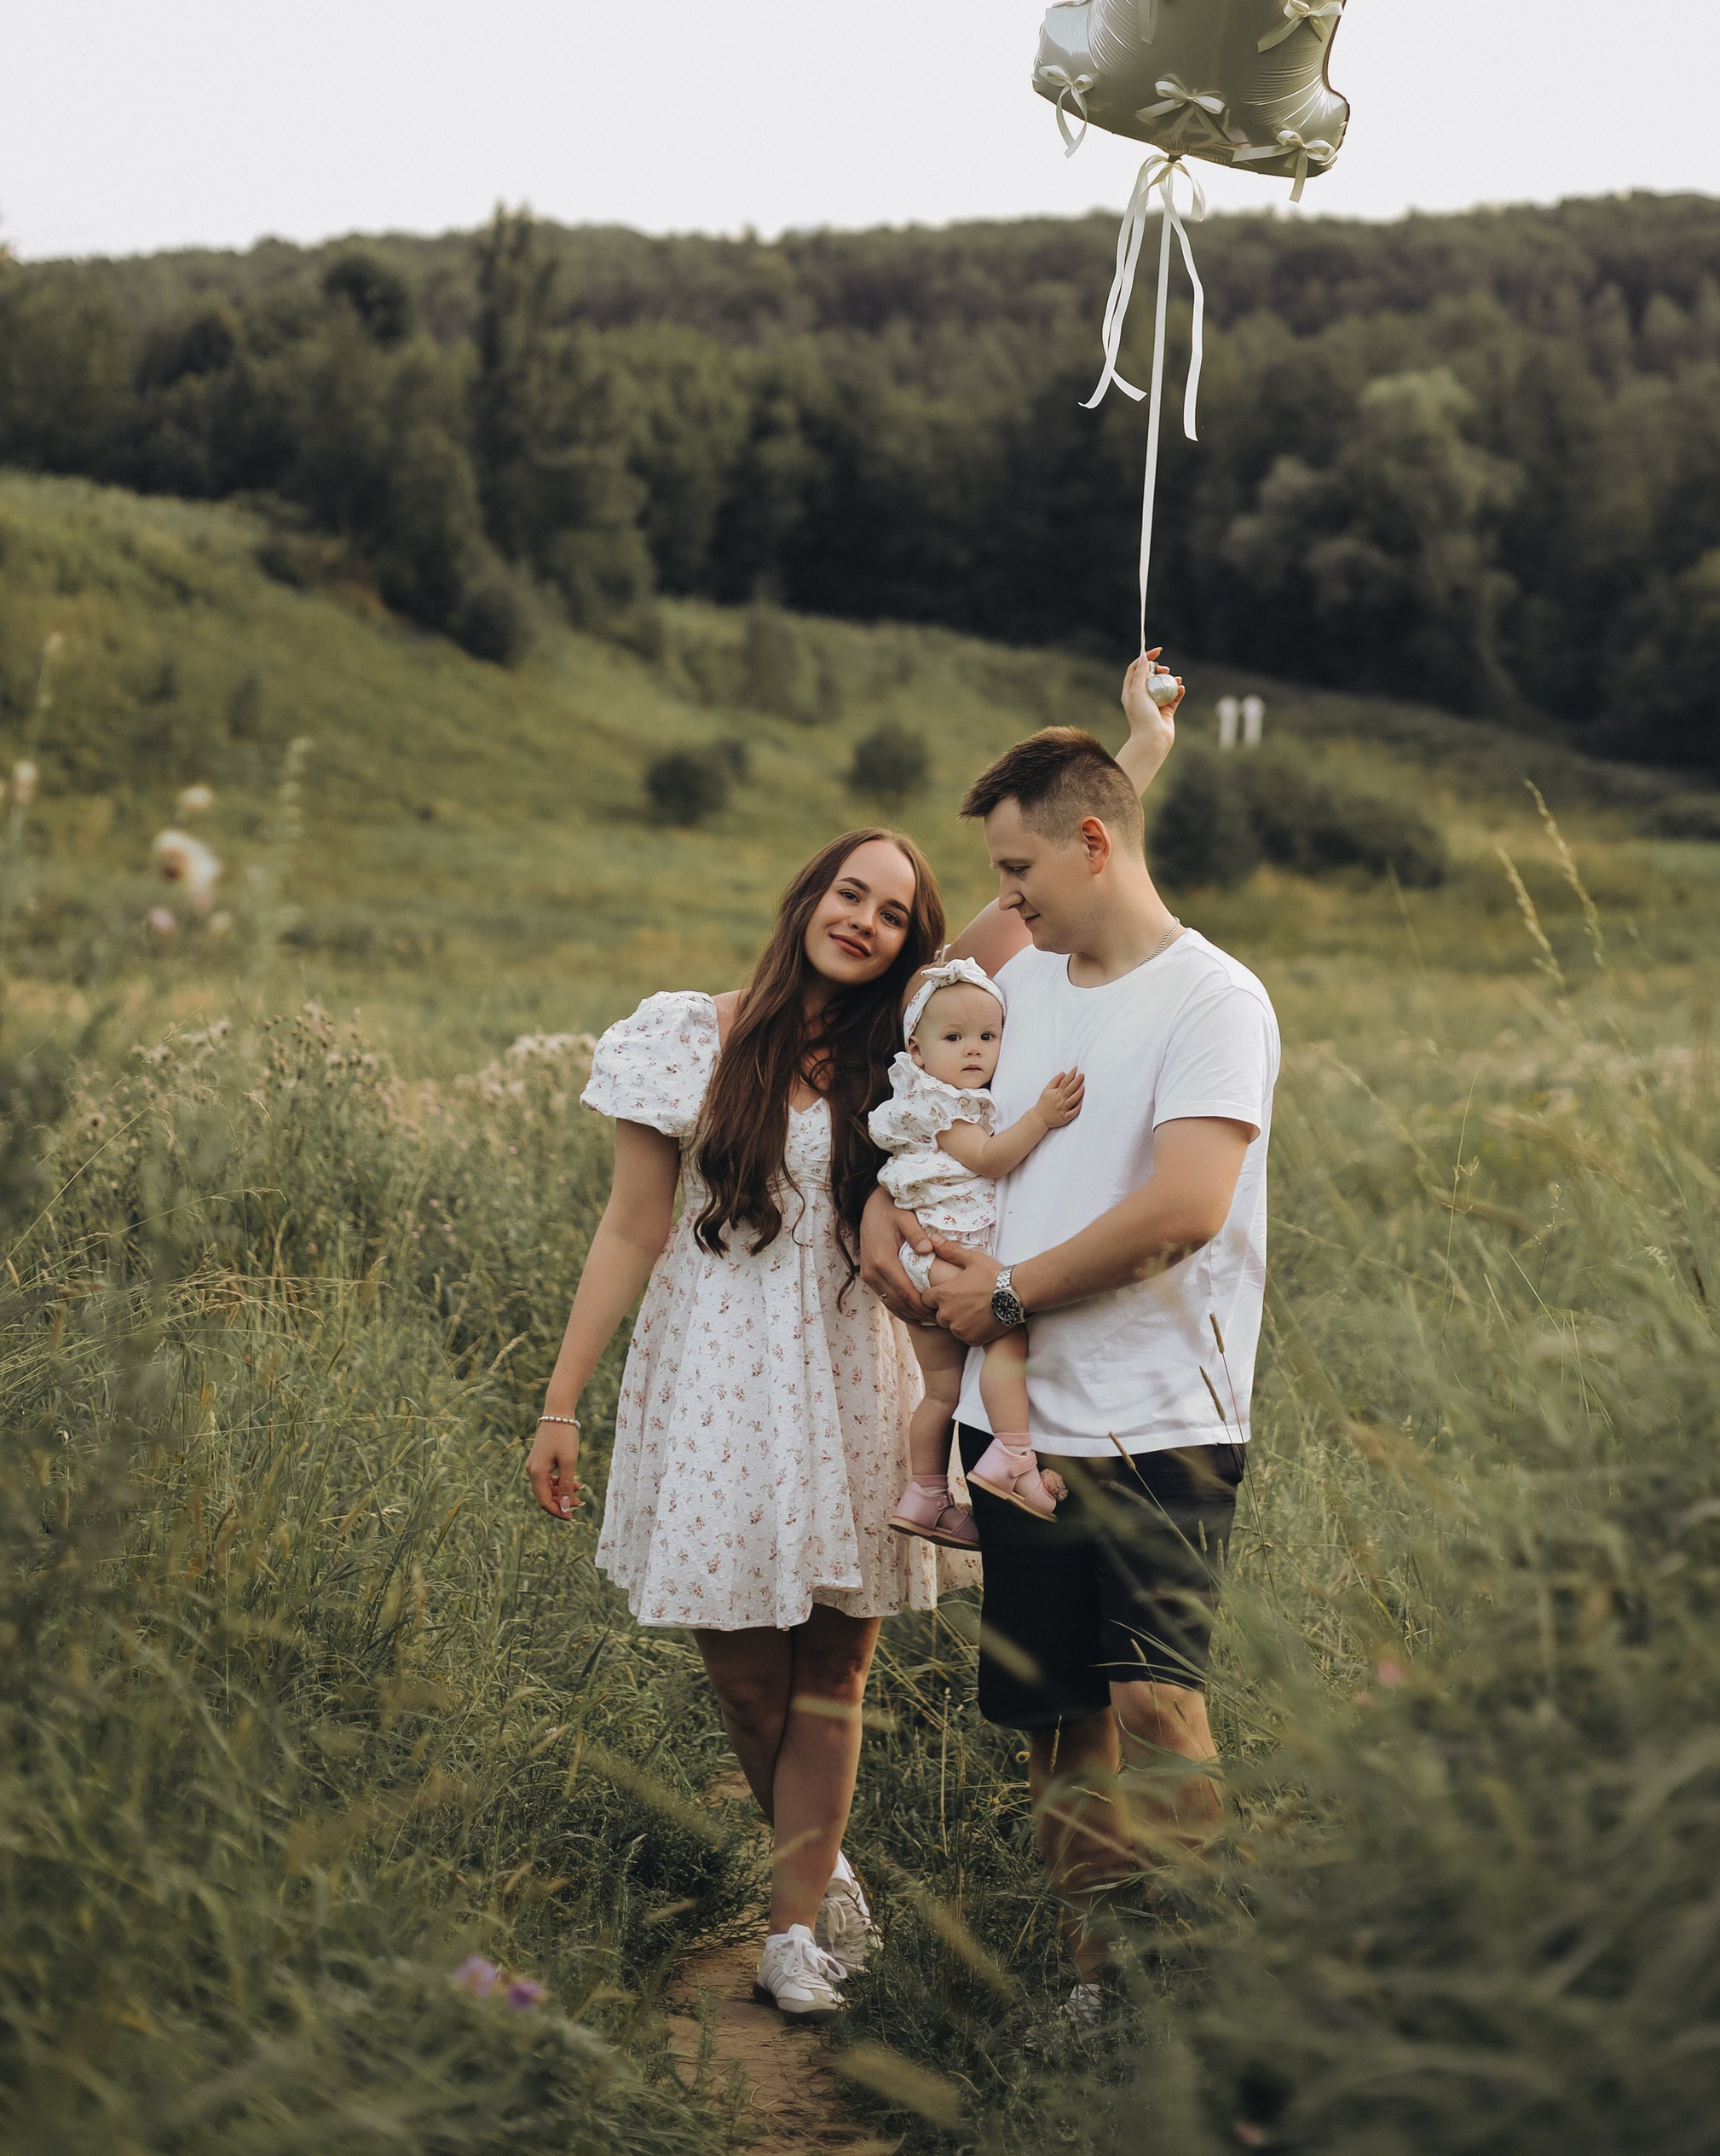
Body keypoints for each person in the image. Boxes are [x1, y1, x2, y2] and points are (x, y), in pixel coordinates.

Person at [523, 661, 1180, 2024]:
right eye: (851, 894)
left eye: (896, 911)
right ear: (808, 899)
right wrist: (561, 1402)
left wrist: (1136, 747)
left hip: (850, 1374)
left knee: (835, 1667)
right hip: (710, 1377)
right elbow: (630, 1233)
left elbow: (1040, 887)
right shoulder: (681, 1040)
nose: (869, 921)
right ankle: (822, 1876)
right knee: (745, 1672)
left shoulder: (914, 1047)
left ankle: (789, 1930)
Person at [861, 722, 1278, 2029]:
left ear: (1091, 847)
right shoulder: (1022, 976)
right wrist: (885, 1212)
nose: (1006, 891)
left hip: (1166, 1413)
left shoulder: (1218, 999)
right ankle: (1100, 1980)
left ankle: (1187, 1982)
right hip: (1021, 1424)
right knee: (1055, 1719)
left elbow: (1189, 1206)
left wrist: (1015, 1293)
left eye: (1020, 864)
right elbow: (935, 1010)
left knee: (1156, 1697)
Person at [872, 957, 1083, 1540]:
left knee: (941, 1389)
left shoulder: (917, 1101)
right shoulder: (944, 1105)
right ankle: (1014, 1460)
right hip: (945, 1255)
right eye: (954, 1037)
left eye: (988, 1037)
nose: (973, 1050)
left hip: (923, 1260)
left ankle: (924, 1497)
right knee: (1007, 1332)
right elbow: (989, 1158)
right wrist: (1041, 1118)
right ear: (917, 1052)